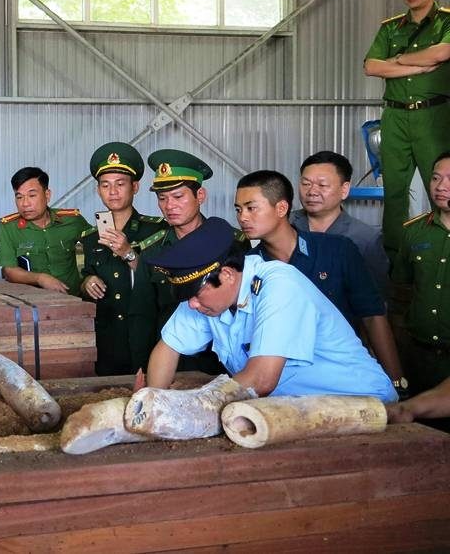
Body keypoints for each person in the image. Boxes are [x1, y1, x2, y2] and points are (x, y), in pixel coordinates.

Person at [144, 217, 397, 403]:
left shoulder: (279, 286)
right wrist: (154, 401)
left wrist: (189, 405)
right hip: (295, 407)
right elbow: (168, 347)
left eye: (196, 295)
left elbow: (261, 379)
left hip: (360, 405)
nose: (192, 305)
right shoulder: (206, 299)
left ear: (228, 275)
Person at [235, 170, 405, 388]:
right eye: (238, 210)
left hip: (343, 378)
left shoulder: (336, 250)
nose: (243, 217)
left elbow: (372, 316)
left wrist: (396, 380)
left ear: (281, 208)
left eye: (251, 208)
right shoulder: (248, 267)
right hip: (285, 382)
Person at [127, 149, 249, 373]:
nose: (169, 206)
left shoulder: (234, 243)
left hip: (222, 363)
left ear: (200, 196)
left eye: (178, 197)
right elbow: (141, 317)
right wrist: (142, 368)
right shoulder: (153, 251)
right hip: (170, 361)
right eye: (162, 198)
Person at [364, 0, 450, 259]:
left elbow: (443, 51)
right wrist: (418, 64)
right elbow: (372, 66)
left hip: (434, 116)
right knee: (395, 192)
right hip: (395, 115)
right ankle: (396, 260)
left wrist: (397, 61)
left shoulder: (447, 22)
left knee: (442, 189)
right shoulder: (391, 28)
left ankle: (444, 253)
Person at [79, 142, 168, 375]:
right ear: (98, 190)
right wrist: (87, 283)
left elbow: (163, 282)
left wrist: (129, 253)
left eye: (120, 184)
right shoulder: (89, 237)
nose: (113, 191)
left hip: (145, 337)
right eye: (105, 185)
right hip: (105, 339)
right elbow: (84, 278)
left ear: (135, 187)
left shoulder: (156, 231)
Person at [291, 150, 389, 298]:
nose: (312, 191)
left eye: (322, 185)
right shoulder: (284, 225)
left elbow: (377, 298)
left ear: (344, 190)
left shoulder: (365, 238)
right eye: (306, 184)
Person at [392, 152, 450, 397]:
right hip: (419, 356)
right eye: (436, 178)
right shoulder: (414, 231)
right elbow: (400, 290)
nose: (441, 186)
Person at [0, 167, 90, 295]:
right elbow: (9, 270)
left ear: (47, 195)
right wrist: (40, 278)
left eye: (32, 195)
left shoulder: (72, 221)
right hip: (33, 303)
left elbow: (98, 247)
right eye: (19, 197)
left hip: (73, 300)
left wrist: (90, 277)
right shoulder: (9, 227)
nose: (25, 204)